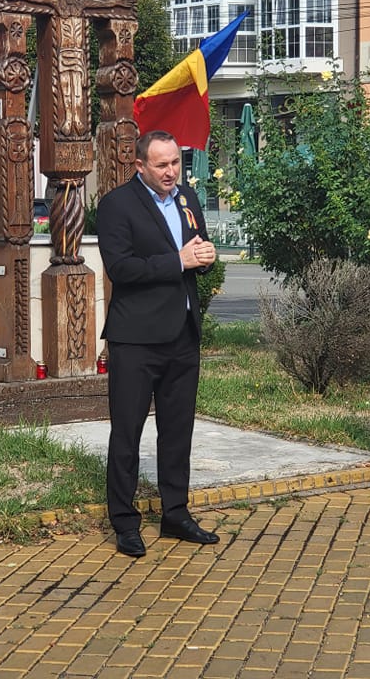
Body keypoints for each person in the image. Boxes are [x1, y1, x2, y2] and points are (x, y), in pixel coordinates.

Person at [96, 130, 220, 557]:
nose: (172, 172)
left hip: (183, 333)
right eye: (162, 165)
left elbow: (194, 251)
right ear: (140, 166)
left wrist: (204, 259)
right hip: (136, 338)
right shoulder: (116, 205)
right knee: (127, 432)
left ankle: (175, 513)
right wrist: (178, 261)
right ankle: (125, 522)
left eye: (175, 163)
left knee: (178, 429)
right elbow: (121, 268)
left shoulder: (187, 198)